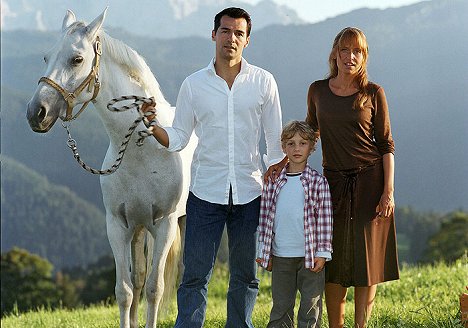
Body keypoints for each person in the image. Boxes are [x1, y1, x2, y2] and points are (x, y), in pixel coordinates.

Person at [142, 7, 284, 327]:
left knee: (246, 277)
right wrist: (153, 127)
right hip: (205, 193)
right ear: (213, 35)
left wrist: (281, 183)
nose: (230, 38)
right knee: (194, 277)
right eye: (225, 31)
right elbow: (178, 138)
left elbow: (275, 144)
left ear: (247, 41)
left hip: (250, 193)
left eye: (238, 33)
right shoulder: (193, 85)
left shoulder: (264, 82)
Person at [265, 27, 399, 328]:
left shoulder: (373, 93)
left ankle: (361, 325)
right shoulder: (318, 90)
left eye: (357, 51)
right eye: (344, 50)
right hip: (332, 186)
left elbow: (386, 144)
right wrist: (283, 161)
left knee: (367, 264)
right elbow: (311, 134)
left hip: (371, 184)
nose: (350, 56)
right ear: (334, 54)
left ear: (363, 57)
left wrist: (387, 191)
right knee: (333, 259)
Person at [256, 121, 333, 328]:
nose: (297, 148)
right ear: (283, 147)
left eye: (302, 143)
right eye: (291, 143)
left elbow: (325, 220)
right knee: (281, 307)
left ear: (311, 147)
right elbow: (265, 219)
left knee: (310, 307)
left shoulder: (318, 182)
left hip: (310, 257)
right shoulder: (273, 181)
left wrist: (322, 253)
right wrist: (264, 251)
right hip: (281, 256)